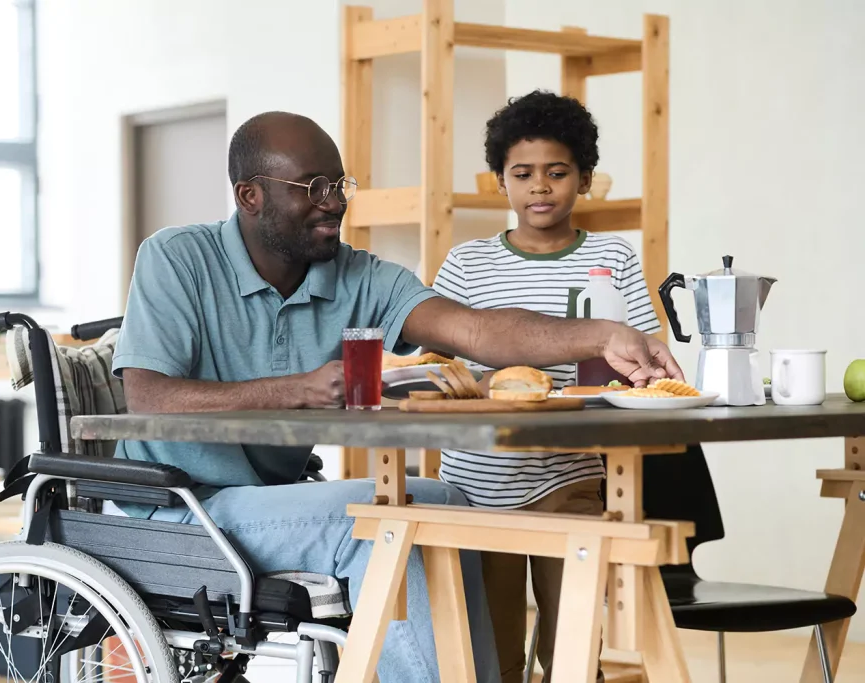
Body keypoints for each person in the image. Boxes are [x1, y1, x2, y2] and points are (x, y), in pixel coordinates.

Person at [111, 109, 683, 682]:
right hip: (180, 509)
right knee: (386, 522)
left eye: (339, 185)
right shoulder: (177, 258)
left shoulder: (357, 275)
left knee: (446, 506)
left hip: (274, 504)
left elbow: (477, 331)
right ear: (249, 195)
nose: (334, 201)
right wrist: (298, 390)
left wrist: (603, 334)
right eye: (313, 188)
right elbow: (147, 397)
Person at [425, 90, 661, 683]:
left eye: (557, 173)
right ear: (499, 181)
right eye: (522, 174)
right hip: (475, 485)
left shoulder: (613, 257)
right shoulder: (467, 264)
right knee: (490, 653)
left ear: (584, 179)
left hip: (571, 475)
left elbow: (644, 357)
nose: (540, 187)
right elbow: (435, 362)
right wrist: (474, 380)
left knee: (575, 645)